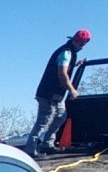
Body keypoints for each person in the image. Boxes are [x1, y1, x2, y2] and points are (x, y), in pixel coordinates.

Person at [25, 28, 91, 157]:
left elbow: (64, 66)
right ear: (75, 41)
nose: (82, 47)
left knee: (61, 115)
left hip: (57, 95)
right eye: (81, 44)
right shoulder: (66, 52)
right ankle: (30, 148)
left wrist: (76, 64)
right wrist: (72, 90)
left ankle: (48, 143)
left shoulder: (70, 53)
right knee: (44, 120)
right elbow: (62, 74)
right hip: (48, 94)